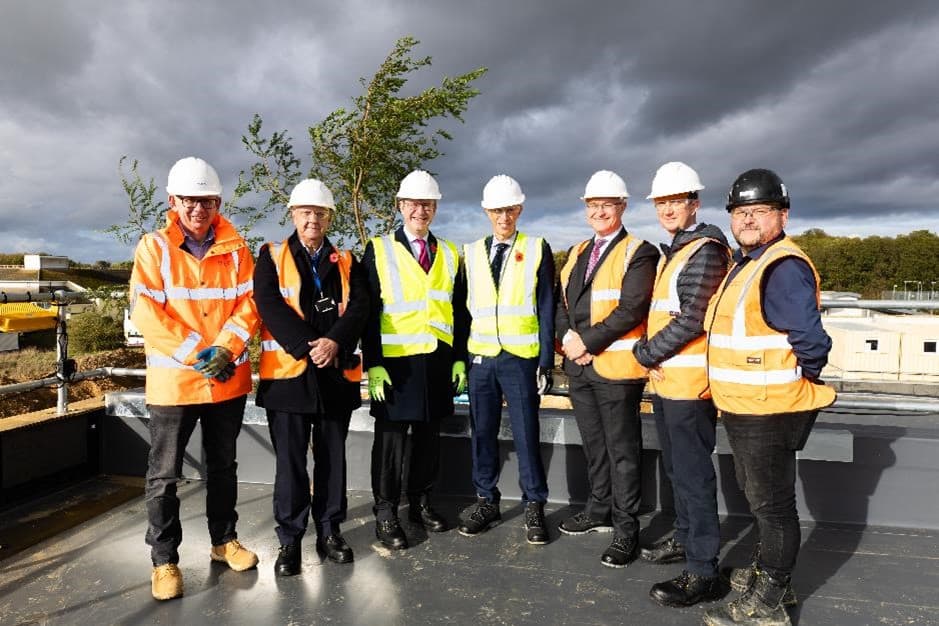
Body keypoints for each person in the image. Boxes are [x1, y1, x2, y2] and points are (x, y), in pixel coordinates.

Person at [702, 169, 836, 626]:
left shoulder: (782, 266)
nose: (748, 220)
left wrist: (789, 384)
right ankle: (768, 574)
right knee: (763, 502)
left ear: (782, 214)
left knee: (774, 508)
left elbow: (812, 344)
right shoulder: (749, 262)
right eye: (741, 213)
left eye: (760, 211)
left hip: (770, 409)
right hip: (745, 407)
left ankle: (770, 602)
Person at [130, 157, 260, 601]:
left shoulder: (237, 248)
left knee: (223, 468)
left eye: (206, 200)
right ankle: (164, 561)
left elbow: (250, 304)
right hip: (175, 384)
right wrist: (195, 352)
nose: (198, 208)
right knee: (164, 475)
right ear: (173, 201)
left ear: (217, 202)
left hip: (226, 378)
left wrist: (226, 348)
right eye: (190, 200)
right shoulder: (154, 248)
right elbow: (146, 312)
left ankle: (224, 542)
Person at [253, 179, 369, 575]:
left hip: (335, 377)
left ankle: (330, 531)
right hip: (288, 379)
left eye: (319, 213)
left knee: (332, 460)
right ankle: (289, 541)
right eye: (305, 212)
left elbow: (359, 308)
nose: (312, 219)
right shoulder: (271, 256)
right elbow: (268, 305)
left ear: (329, 217)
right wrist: (309, 346)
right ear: (293, 215)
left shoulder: (348, 261)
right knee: (290, 464)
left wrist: (334, 342)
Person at [630, 162, 730, 607]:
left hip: (690, 387)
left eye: (676, 201)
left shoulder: (705, 249)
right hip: (670, 386)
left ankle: (702, 570)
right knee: (676, 471)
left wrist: (646, 354)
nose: (668, 209)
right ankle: (686, 540)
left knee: (693, 478)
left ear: (694, 203)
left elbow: (692, 317)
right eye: (662, 203)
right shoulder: (676, 249)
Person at [361, 169, 469, 550]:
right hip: (394, 365)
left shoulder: (452, 253)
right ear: (400, 207)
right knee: (390, 442)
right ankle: (386, 511)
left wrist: (459, 360)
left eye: (427, 204)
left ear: (435, 208)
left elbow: (460, 310)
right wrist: (373, 362)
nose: (419, 210)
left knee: (428, 439)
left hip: (437, 363)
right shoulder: (379, 249)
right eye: (413, 204)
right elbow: (368, 310)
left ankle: (420, 503)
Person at [555, 170, 659, 568]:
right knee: (595, 447)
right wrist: (567, 340)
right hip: (580, 368)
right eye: (592, 205)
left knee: (623, 452)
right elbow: (561, 302)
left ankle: (626, 528)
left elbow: (631, 308)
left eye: (607, 205)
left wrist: (587, 342)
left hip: (616, 370)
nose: (599, 211)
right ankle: (598, 509)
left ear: (622, 207)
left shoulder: (639, 251)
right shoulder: (578, 251)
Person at [457, 175, 555, 545]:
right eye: (497, 209)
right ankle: (486, 500)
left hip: (519, 359)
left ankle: (534, 505)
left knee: (527, 433)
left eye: (510, 209)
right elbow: (462, 311)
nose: (504, 216)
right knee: (482, 432)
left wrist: (545, 360)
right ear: (486, 211)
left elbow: (545, 307)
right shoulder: (470, 253)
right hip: (481, 359)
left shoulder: (536, 248)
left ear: (520, 210)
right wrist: (463, 360)